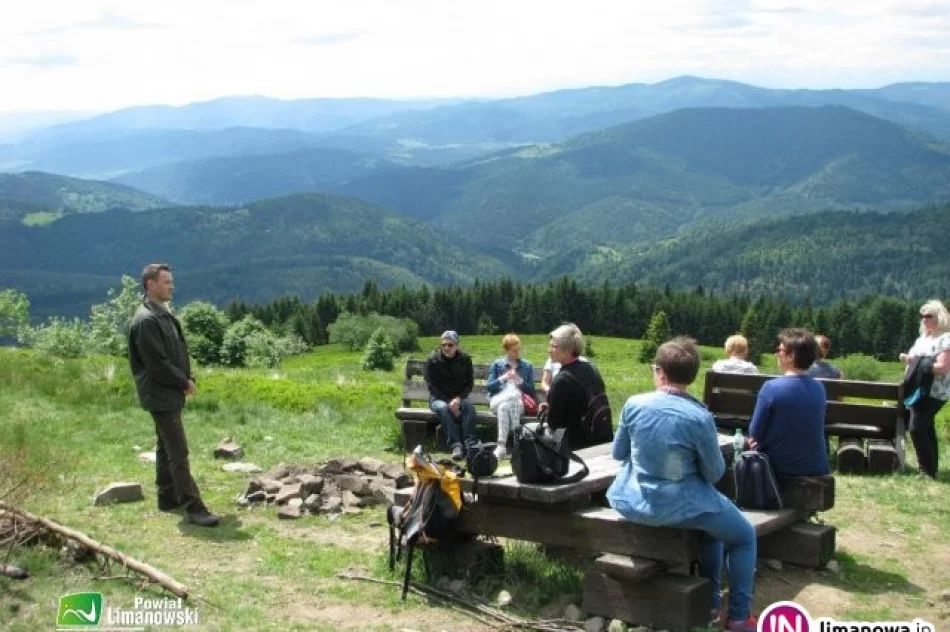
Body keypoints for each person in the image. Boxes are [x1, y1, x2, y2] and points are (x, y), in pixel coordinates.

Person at [607, 337, 757, 631]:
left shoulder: (633, 404)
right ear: (691, 375)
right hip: (683, 506)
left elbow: (618, 453)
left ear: (660, 372)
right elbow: (714, 473)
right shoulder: (700, 417)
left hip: (633, 501)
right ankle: (737, 616)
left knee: (713, 533)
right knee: (744, 536)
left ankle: (710, 601)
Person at [128, 264, 219, 527]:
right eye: (166, 282)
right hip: (161, 393)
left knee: (164, 446)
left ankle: (167, 497)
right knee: (178, 451)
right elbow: (157, 363)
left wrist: (186, 378)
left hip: (167, 392)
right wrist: (183, 382)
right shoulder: (146, 320)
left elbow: (172, 354)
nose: (172, 286)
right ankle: (194, 508)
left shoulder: (160, 314)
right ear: (150, 285)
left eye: (171, 282)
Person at [748, 328, 830, 485]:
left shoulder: (771, 388)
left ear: (791, 356)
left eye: (780, 350)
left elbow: (755, 432)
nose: (776, 354)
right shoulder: (819, 388)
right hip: (816, 466)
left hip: (780, 468)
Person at [899, 300, 950, 480]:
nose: (924, 319)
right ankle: (931, 469)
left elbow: (942, 368)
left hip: (933, 391)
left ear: (940, 317)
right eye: (922, 316)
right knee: (926, 428)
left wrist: (919, 362)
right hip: (917, 388)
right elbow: (915, 359)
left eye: (929, 316)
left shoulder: (946, 339)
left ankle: (925, 471)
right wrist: (910, 359)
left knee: (916, 428)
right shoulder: (923, 338)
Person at [538, 323, 612, 449]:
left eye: (553, 346)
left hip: (577, 446)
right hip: (601, 437)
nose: (549, 350)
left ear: (568, 351)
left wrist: (547, 411)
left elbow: (554, 423)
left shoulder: (561, 380)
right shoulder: (591, 368)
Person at [424, 330, 476, 461]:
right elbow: (432, 386)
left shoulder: (465, 359)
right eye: (444, 345)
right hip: (438, 398)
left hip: (459, 398)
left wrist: (458, 399)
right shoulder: (432, 360)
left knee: (469, 407)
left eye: (450, 345)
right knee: (443, 408)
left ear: (457, 346)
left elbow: (469, 384)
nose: (446, 348)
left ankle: (470, 445)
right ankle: (456, 446)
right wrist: (449, 402)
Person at [486, 333, 536, 460]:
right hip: (498, 400)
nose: (517, 352)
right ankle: (516, 444)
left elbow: (531, 392)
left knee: (508, 404)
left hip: (518, 404)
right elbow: (490, 387)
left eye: (519, 349)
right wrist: (504, 378)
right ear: (506, 350)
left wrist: (519, 380)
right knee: (509, 400)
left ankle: (501, 446)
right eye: (514, 350)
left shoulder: (527, 366)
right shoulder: (498, 364)